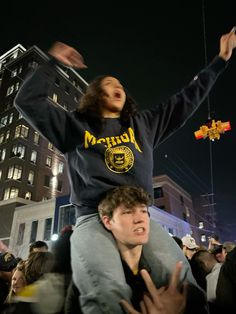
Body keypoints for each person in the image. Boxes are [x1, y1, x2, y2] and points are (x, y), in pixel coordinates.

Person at [14, 27, 236, 313]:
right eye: (107, 85)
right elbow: (27, 102)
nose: (115, 87)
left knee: (181, 278)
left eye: (118, 84)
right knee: (105, 289)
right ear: (95, 95)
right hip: (94, 216)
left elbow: (186, 99)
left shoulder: (142, 124)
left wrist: (220, 60)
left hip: (137, 213)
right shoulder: (74, 126)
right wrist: (53, 62)